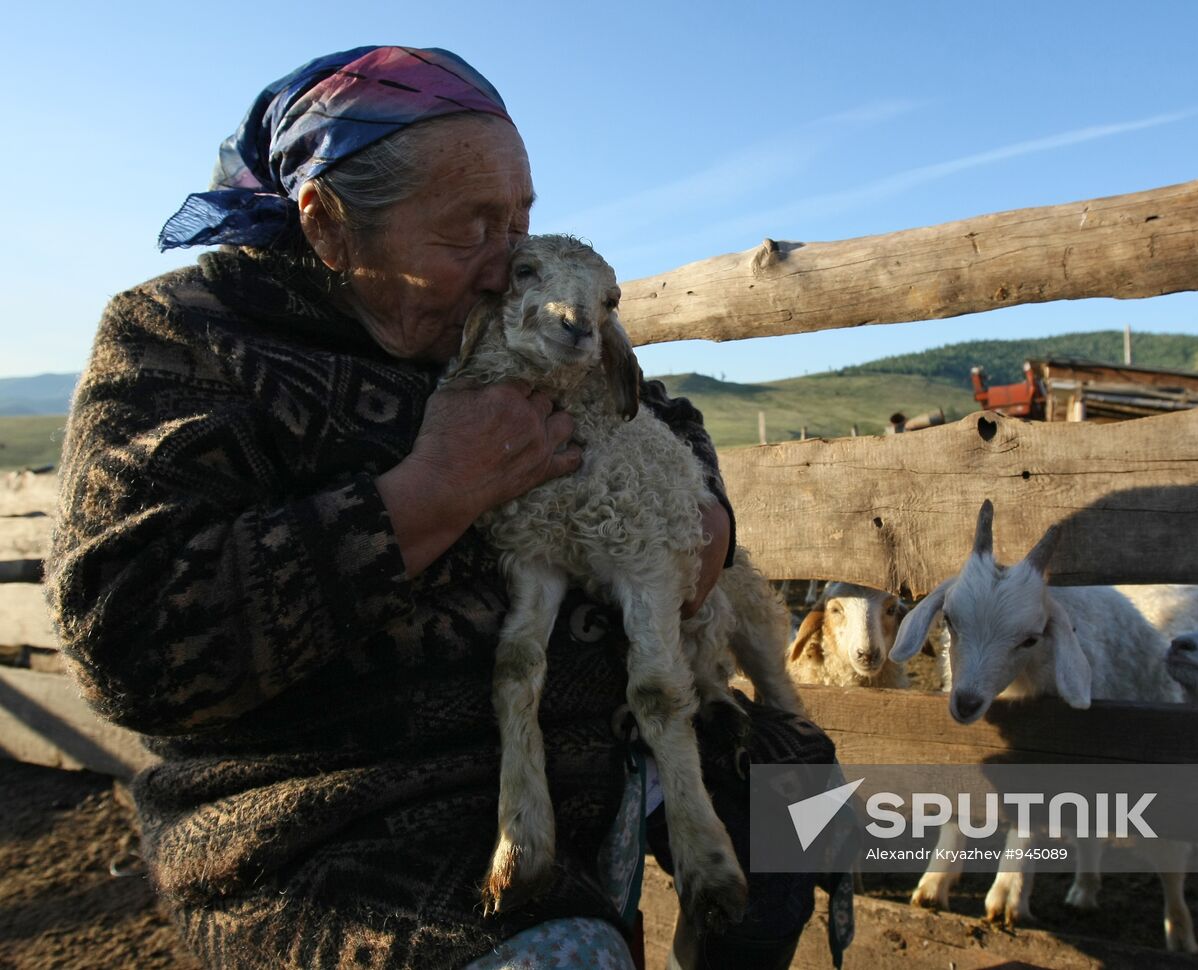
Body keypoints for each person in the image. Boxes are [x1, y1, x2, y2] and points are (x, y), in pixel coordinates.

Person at [46, 46, 843, 969]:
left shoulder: (501, 308)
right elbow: (130, 640)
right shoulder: (188, 338)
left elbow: (657, 409)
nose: (509, 264)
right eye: (471, 229)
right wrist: (423, 496)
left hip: (612, 722)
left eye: (520, 218)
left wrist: (709, 516)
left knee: (790, 840)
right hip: (346, 808)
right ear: (330, 228)